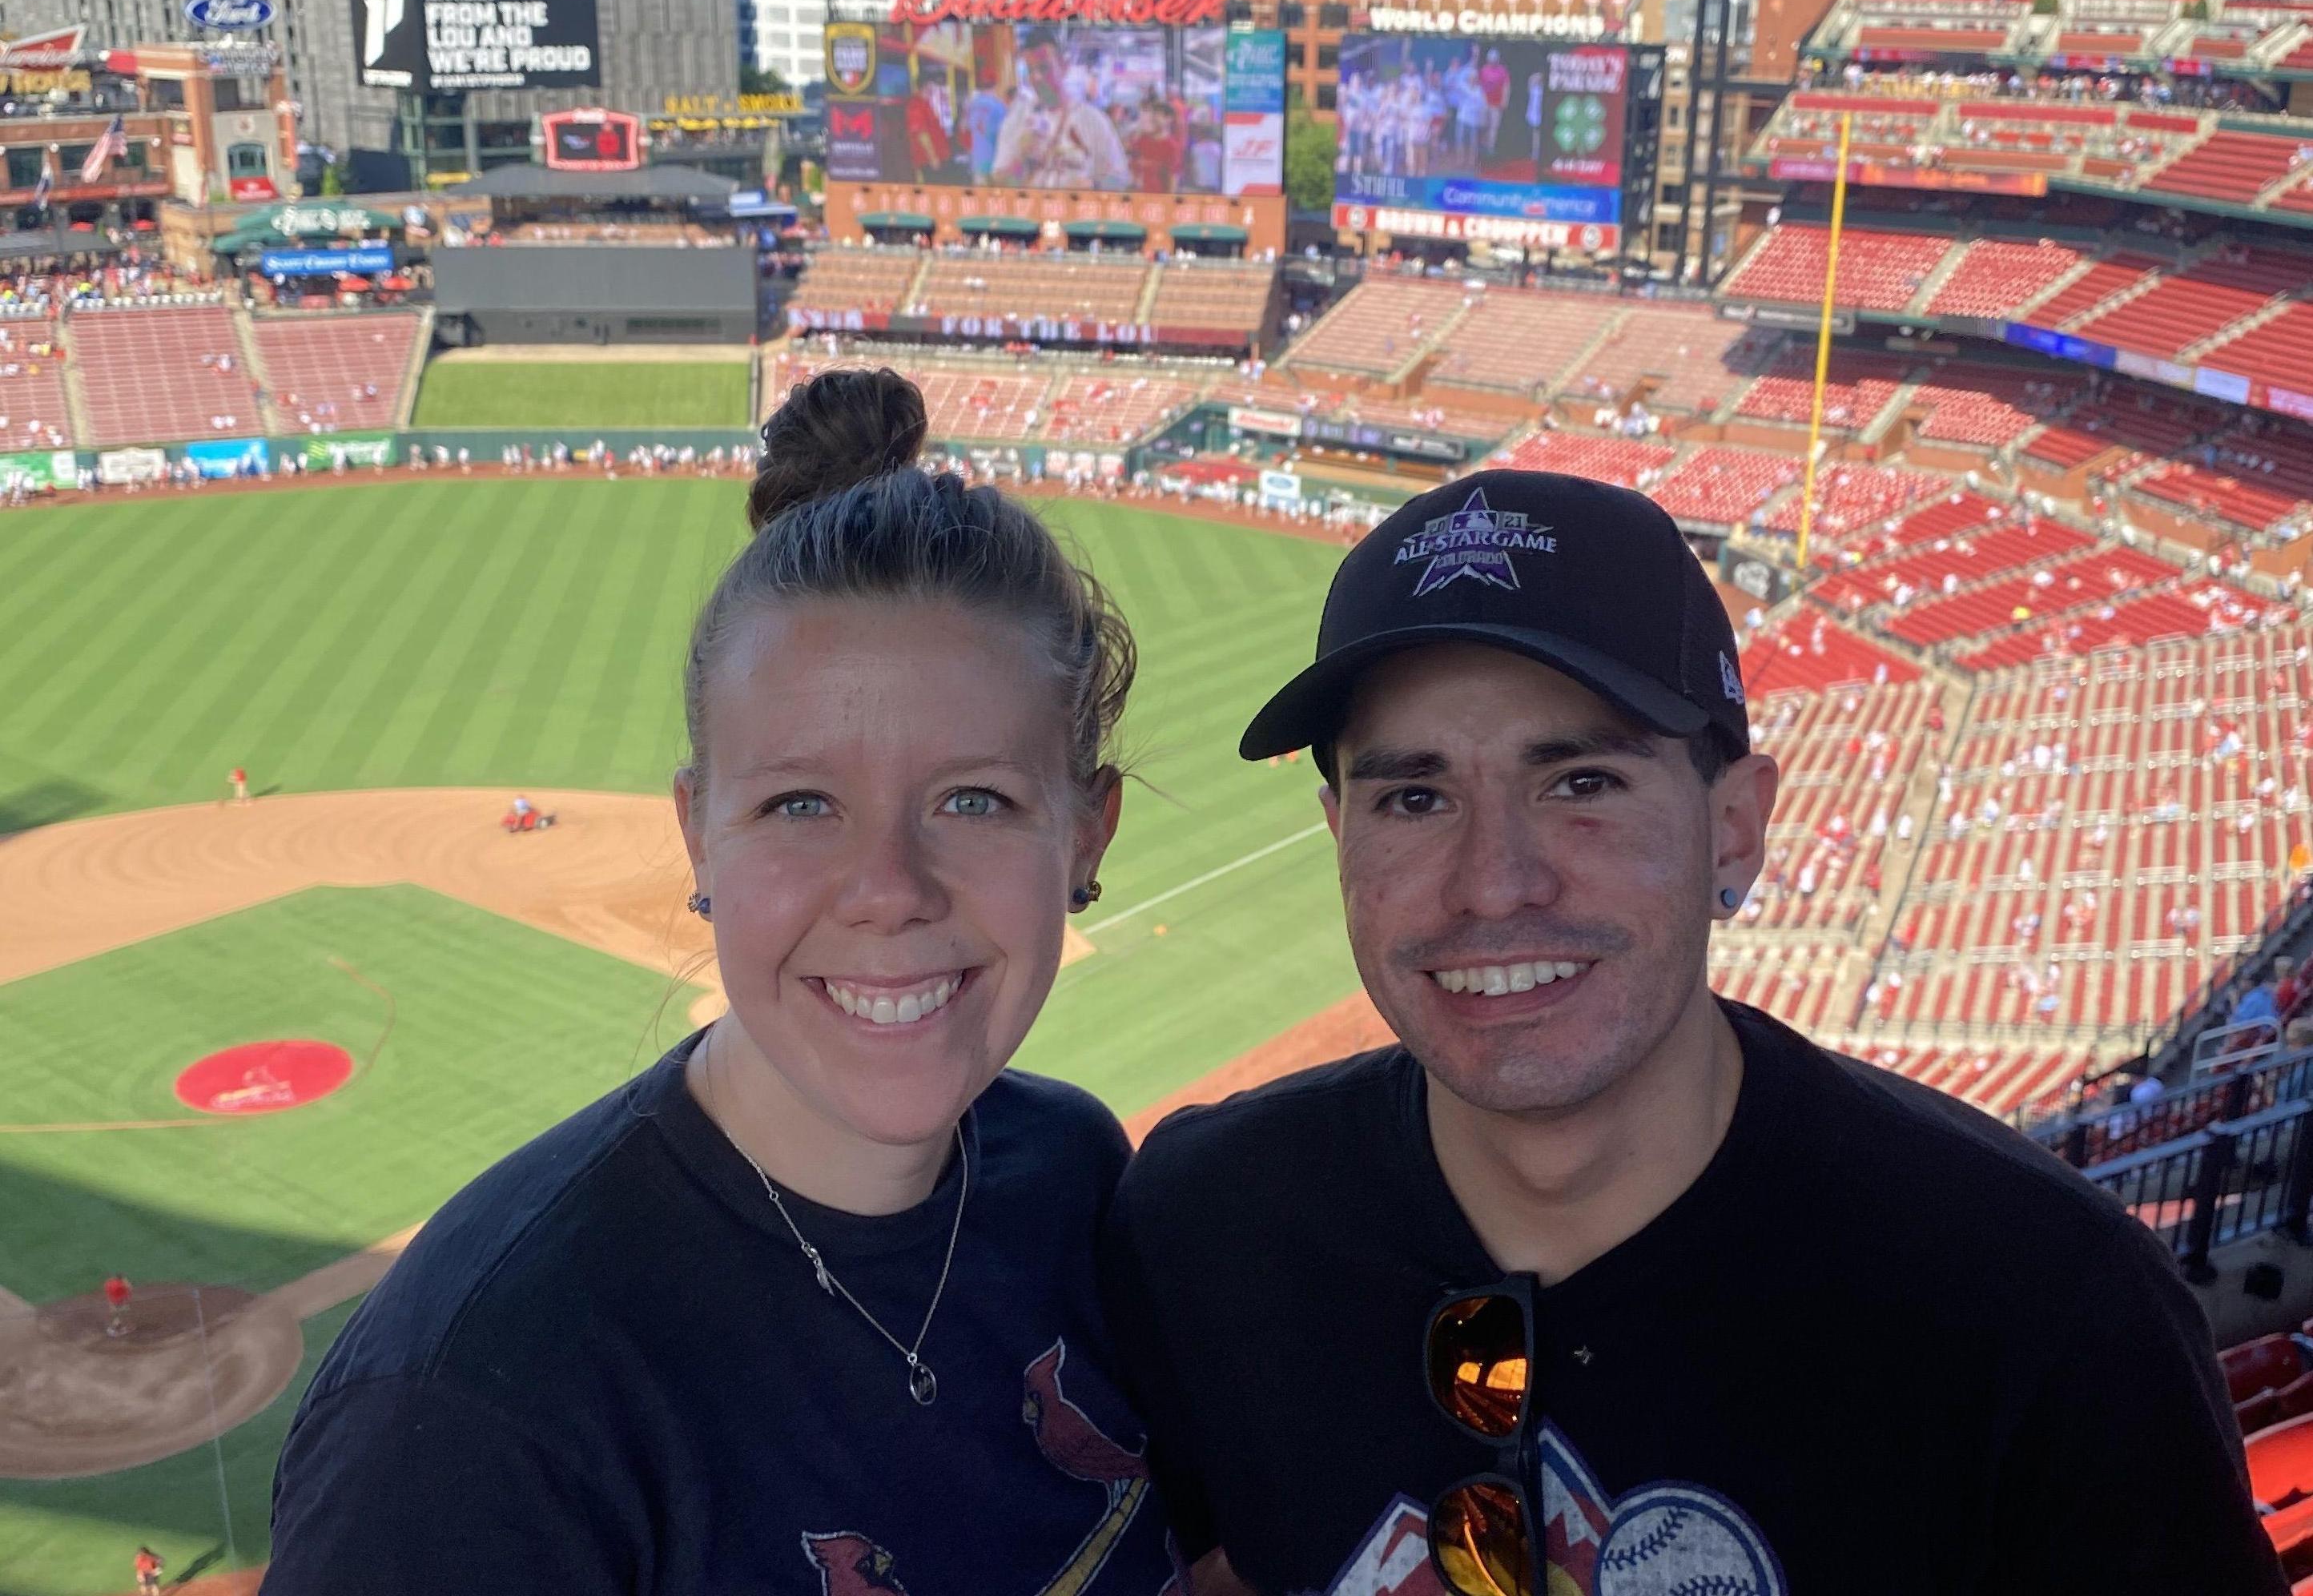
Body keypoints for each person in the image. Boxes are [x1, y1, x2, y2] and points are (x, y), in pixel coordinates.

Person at [1100, 468, 2279, 1596]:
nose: (1492, 882)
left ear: (1735, 830)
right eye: (1414, 797)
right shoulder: (1205, 1219)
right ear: (1338, 833)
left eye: (1582, 784)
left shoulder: (2048, 1309)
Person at [268, 368, 1181, 1595]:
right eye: (802, 803)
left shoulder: (1072, 1174)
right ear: (701, 835)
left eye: (976, 799)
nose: (888, 888)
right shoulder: (476, 1413)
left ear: (1086, 834)